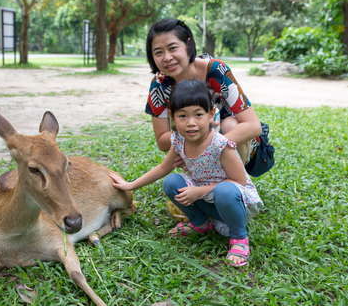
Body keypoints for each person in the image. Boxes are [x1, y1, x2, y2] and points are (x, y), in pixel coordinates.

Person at [110, 79, 263, 267]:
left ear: (211, 114)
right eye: (182, 116)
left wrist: (200, 191)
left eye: (198, 114)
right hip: (208, 201)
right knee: (171, 182)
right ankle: (200, 223)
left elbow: (239, 183)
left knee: (225, 191)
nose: (191, 123)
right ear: (172, 118)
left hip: (233, 202)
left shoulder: (220, 145)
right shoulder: (179, 140)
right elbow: (163, 168)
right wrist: (130, 185)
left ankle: (239, 237)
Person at [145, 18, 262, 165]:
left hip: (234, 142)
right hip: (194, 143)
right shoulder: (159, 85)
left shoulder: (216, 71)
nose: (167, 58)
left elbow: (254, 126)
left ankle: (236, 184)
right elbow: (162, 141)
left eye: (173, 48)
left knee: (229, 125)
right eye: (158, 52)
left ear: (188, 44)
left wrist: (206, 148)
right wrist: (193, 141)